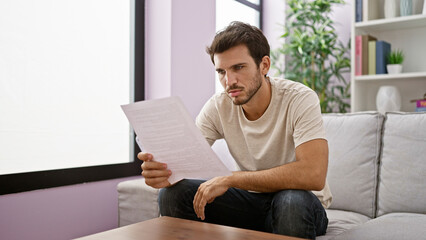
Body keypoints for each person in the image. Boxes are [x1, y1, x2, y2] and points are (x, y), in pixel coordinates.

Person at [138, 21, 332, 239]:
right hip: (249, 203)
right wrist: (163, 172)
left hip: (301, 203)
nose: (229, 81)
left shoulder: (299, 99)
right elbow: (184, 161)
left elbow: (313, 174)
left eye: (238, 68)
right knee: (173, 194)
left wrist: (230, 178)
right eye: (221, 71)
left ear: (264, 65)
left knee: (291, 201)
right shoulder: (219, 105)